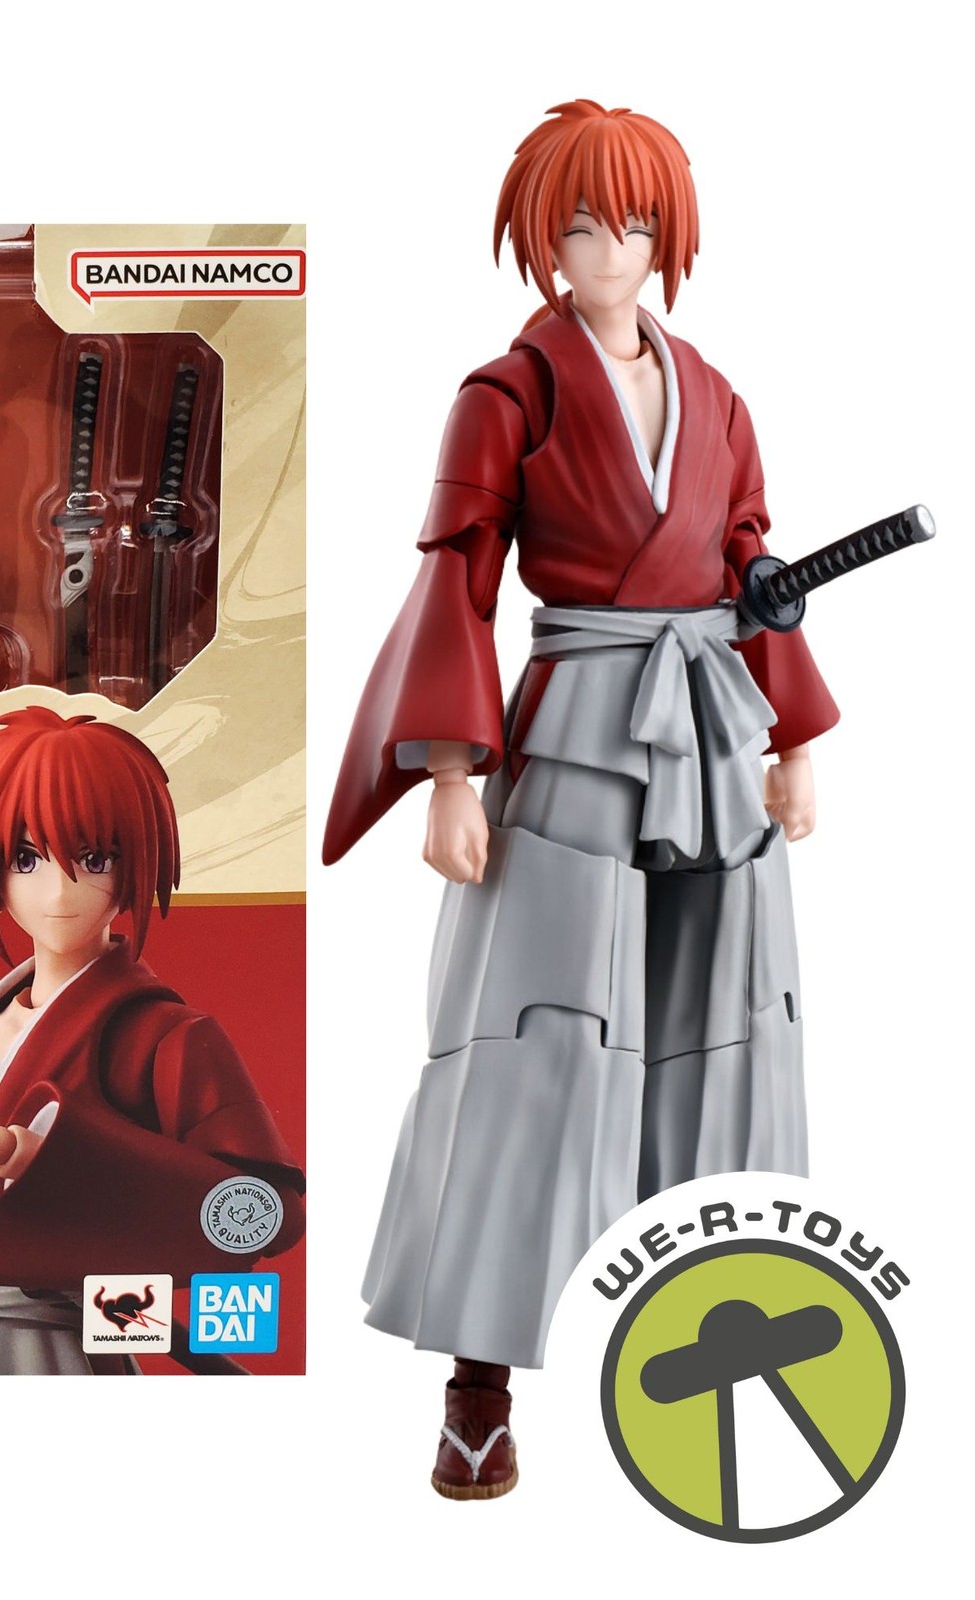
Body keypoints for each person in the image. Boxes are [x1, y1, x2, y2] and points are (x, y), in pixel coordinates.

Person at [324, 101, 837, 1498]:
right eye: (580, 224)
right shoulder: (509, 394)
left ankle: (719, 1329)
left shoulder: (715, 393)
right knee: (533, 1035)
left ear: (668, 234)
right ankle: (478, 1385)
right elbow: (457, 576)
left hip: (710, 734)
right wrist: (449, 768)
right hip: (579, 730)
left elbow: (751, 563)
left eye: (634, 223)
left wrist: (792, 734)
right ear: (541, 240)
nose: (609, 248)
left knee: (725, 1026)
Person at [0, 705, 305, 1374]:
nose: (59, 892)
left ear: (134, 860)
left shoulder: (166, 1035)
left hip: (47, 1340)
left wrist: (19, 1150)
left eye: (93, 858)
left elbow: (262, 1214)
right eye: (26, 858)